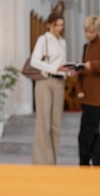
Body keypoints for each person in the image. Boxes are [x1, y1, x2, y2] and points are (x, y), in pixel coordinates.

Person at [30, 12, 74, 164]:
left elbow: (62, 62)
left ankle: (52, 162)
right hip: (45, 82)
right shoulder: (43, 40)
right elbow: (34, 62)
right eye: (57, 25)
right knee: (43, 123)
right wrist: (55, 68)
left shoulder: (63, 42)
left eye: (62, 25)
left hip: (59, 82)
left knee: (56, 125)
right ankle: (40, 164)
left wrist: (68, 70)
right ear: (50, 24)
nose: (60, 28)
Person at [74, 15, 100, 166]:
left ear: (98, 31)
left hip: (96, 99)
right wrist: (79, 88)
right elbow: (82, 71)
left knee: (85, 136)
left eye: (91, 32)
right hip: (85, 97)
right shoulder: (86, 47)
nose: (88, 35)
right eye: (86, 31)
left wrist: (94, 65)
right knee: (93, 136)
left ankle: (84, 165)